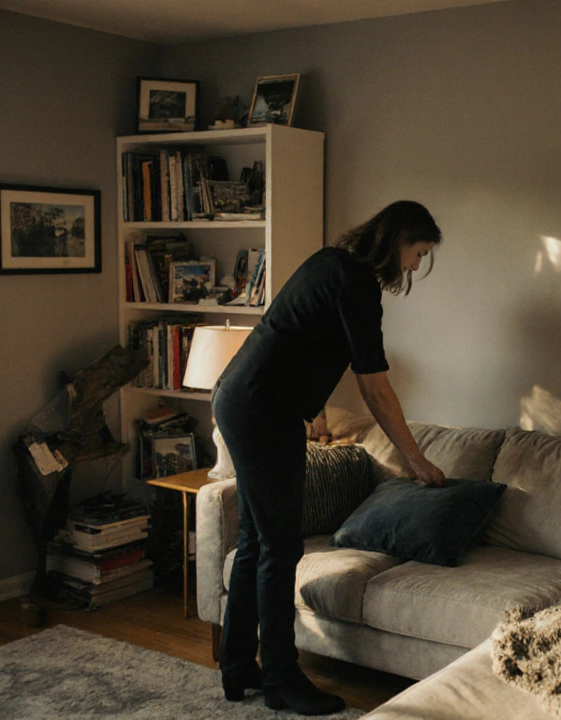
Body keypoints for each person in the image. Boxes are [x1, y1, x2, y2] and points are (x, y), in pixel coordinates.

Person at [212, 200, 446, 714]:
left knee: (255, 541)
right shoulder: (358, 284)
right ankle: (280, 679)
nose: (413, 266)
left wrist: (312, 413)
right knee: (279, 546)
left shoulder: (330, 263)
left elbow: (301, 344)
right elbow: (375, 388)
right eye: (417, 253)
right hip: (262, 410)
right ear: (397, 240)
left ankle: (237, 668)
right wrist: (416, 460)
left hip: (239, 396)